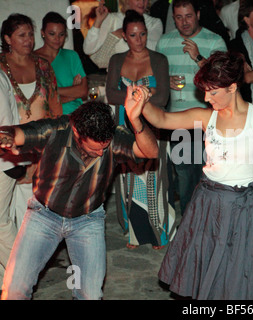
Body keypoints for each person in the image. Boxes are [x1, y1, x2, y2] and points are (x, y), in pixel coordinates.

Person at [141, 50, 253, 300]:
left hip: (242, 206)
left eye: (212, 91)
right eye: (205, 91)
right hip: (207, 203)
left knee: (236, 273)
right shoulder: (206, 117)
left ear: (232, 87)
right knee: (205, 267)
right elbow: (161, 119)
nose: (206, 98)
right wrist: (141, 102)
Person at [0, 86, 159, 300]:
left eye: (104, 148)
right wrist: (7, 135)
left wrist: (136, 119)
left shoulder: (113, 138)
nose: (101, 153)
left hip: (87, 220)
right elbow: (18, 133)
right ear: (76, 132)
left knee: (90, 295)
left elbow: (151, 152)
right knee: (14, 289)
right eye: (94, 149)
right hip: (43, 215)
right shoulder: (55, 130)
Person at [105, 9, 174, 250]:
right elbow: (110, 94)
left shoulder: (158, 59)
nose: (139, 40)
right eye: (133, 35)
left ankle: (159, 233)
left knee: (155, 179)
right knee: (128, 179)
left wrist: (134, 94)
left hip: (153, 127)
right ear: (125, 36)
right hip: (123, 126)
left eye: (143, 34)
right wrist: (143, 93)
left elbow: (164, 97)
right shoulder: (117, 60)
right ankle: (135, 234)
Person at [155, 0, 227, 216]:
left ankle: (209, 219)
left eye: (188, 16)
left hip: (209, 120)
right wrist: (164, 80)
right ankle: (189, 221)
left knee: (211, 175)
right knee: (185, 176)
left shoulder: (214, 40)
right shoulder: (165, 42)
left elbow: (222, 77)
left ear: (197, 14)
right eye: (179, 17)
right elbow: (157, 78)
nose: (184, 22)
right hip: (178, 120)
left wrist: (198, 57)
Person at [0, 13, 62, 230]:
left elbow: (55, 108)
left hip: (40, 147)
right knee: (5, 217)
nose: (29, 40)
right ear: (8, 39)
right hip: (8, 151)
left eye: (30, 34)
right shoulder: (0, 67)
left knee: (34, 214)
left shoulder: (43, 66)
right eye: (21, 35)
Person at [83, 0, 163, 69]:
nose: (142, 2)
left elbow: (150, 49)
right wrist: (98, 21)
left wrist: (117, 38)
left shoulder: (154, 23)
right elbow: (88, 49)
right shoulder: (112, 19)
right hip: (117, 78)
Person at [35, 12, 88, 115]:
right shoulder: (33, 58)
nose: (57, 39)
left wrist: (51, 90)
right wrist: (73, 93)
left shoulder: (71, 56)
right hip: (47, 118)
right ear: (43, 33)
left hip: (75, 115)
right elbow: (40, 100)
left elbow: (83, 90)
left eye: (61, 34)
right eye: (52, 34)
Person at [0, 69, 20, 291]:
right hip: (6, 158)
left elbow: (4, 127)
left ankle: (21, 277)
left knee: (1, 224)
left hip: (3, 160)